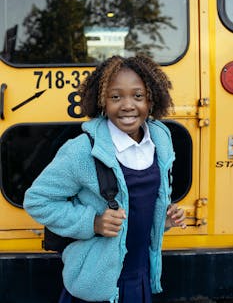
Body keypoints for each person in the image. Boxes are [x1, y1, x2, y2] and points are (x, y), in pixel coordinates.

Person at [23, 54, 186, 303]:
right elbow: (37, 200)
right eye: (115, 97)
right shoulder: (82, 150)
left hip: (139, 274)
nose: (128, 105)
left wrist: (163, 217)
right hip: (96, 284)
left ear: (152, 98)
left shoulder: (160, 141)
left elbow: (143, 203)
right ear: (102, 101)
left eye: (138, 96)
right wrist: (93, 222)